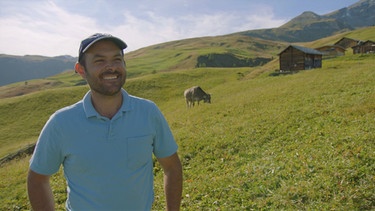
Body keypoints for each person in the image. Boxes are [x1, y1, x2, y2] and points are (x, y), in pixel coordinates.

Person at [27, 33, 183, 210]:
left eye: (117, 59)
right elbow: (37, 180)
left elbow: (172, 168)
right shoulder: (61, 123)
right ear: (81, 70)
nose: (111, 67)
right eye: (99, 61)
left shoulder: (148, 112)